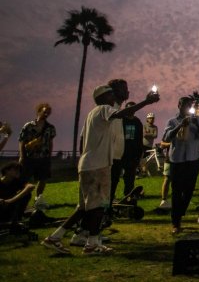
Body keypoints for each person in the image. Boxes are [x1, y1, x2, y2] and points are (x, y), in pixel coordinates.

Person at [42, 84, 159, 255]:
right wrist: (146, 102)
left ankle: (56, 237)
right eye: (111, 94)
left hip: (89, 164)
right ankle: (91, 245)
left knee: (84, 208)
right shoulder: (104, 109)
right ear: (104, 97)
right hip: (97, 165)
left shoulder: (92, 114)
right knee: (98, 207)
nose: (114, 97)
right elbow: (121, 114)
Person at [163, 96, 199, 234]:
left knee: (189, 189)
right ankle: (175, 222)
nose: (187, 107)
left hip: (192, 158)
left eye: (190, 105)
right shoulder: (172, 121)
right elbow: (166, 137)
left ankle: (180, 211)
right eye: (185, 105)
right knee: (176, 191)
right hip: (177, 160)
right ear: (179, 105)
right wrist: (180, 125)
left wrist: (196, 124)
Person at [18, 103, 57, 210]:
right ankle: (20, 200)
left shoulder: (50, 128)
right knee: (24, 179)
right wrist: (22, 156)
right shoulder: (28, 126)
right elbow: (22, 141)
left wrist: (49, 155)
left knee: (43, 179)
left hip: (43, 157)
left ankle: (37, 199)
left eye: (48, 112)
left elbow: (50, 142)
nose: (46, 114)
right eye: (44, 111)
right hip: (29, 157)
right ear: (39, 111)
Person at [110, 101, 144, 202]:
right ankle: (110, 199)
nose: (132, 111)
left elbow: (139, 139)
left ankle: (128, 198)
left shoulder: (137, 122)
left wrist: (139, 155)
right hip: (119, 153)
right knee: (114, 179)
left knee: (129, 179)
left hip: (132, 155)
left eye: (134, 108)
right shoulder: (120, 120)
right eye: (129, 108)